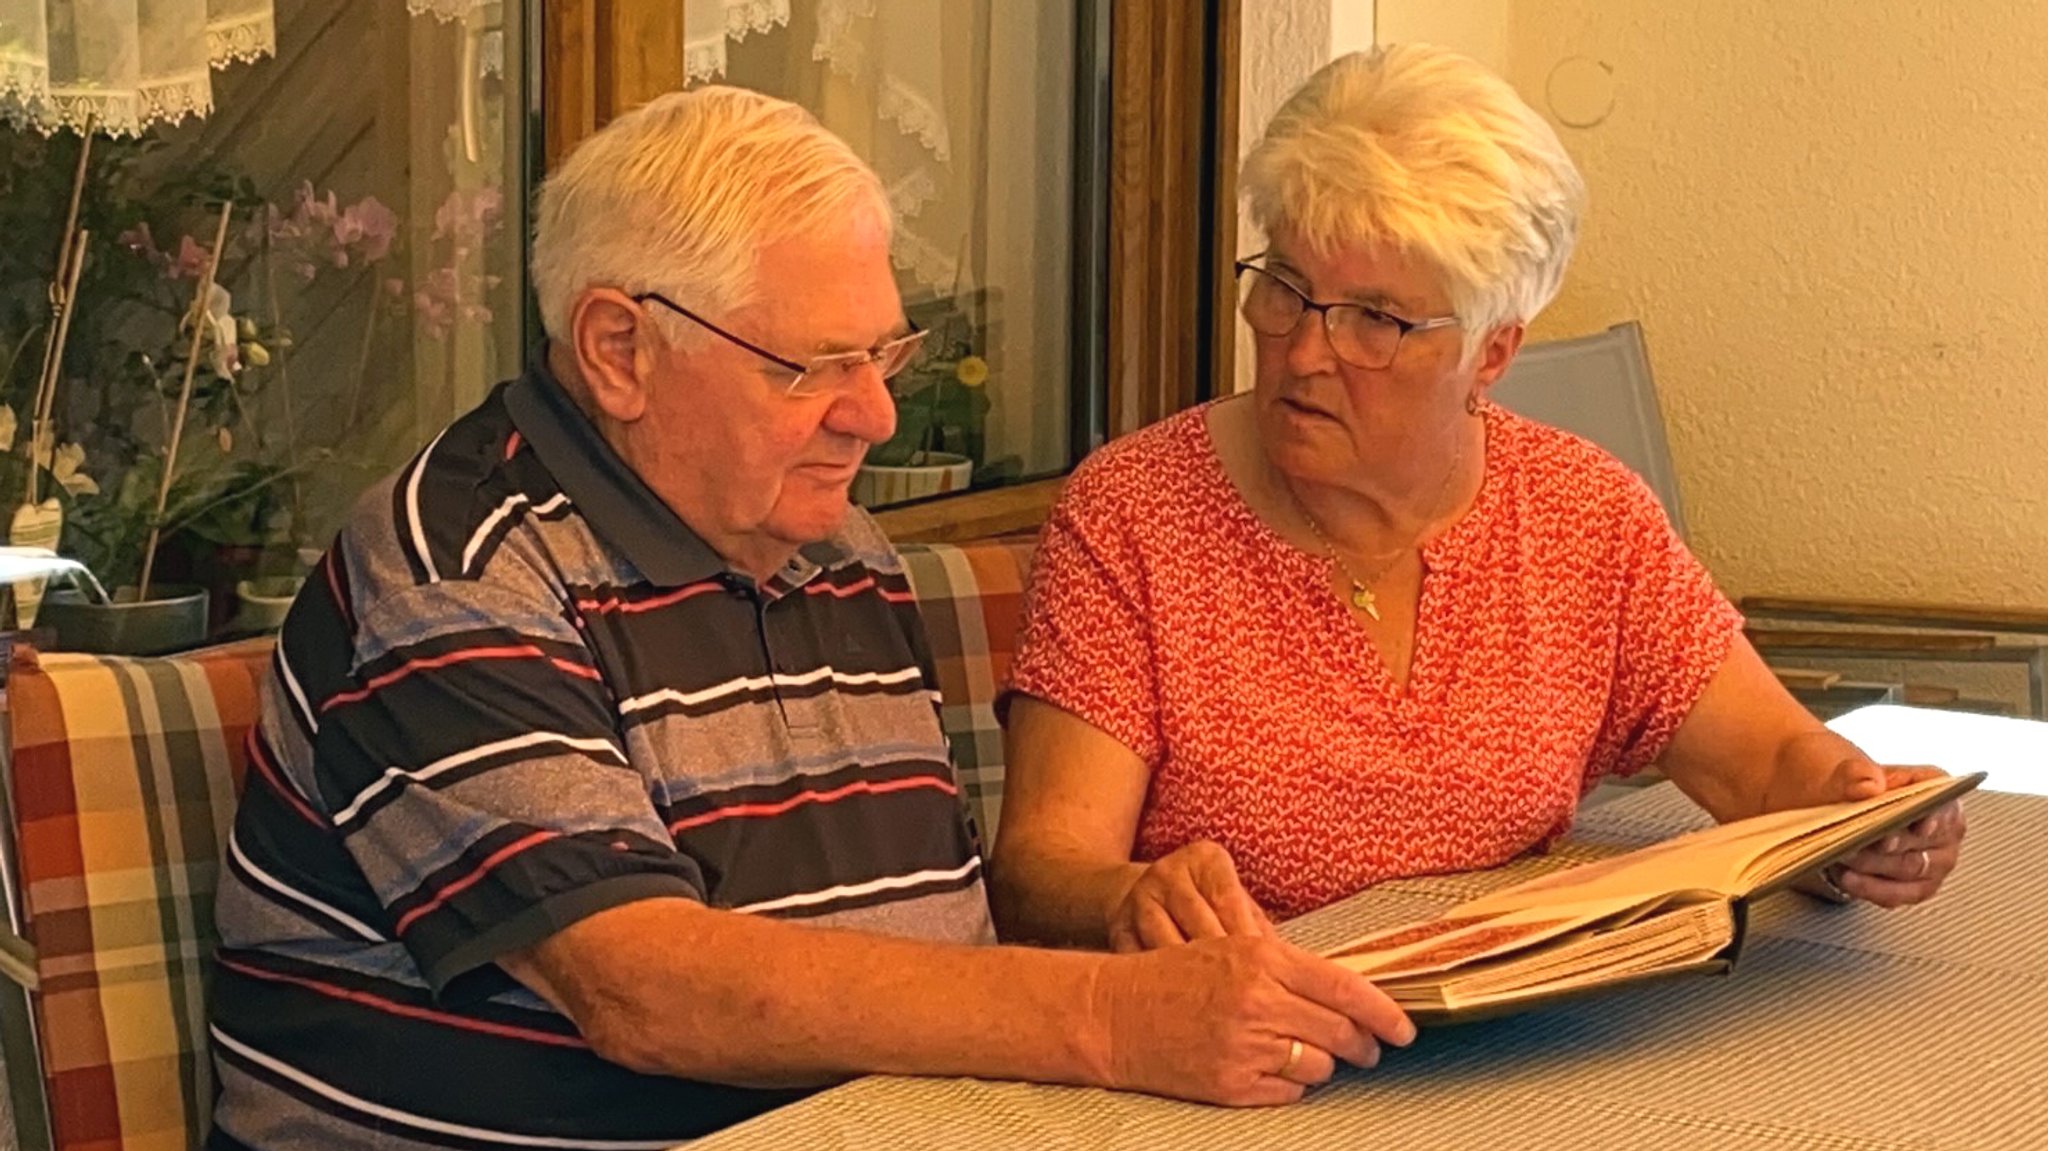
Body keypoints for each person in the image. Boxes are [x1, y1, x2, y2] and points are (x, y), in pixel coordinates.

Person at [206, 86, 1413, 1150]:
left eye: (885, 353)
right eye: (813, 367)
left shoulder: (833, 545)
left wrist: (1121, 929)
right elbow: (647, 988)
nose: (876, 417)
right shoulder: (455, 571)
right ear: (618, 348)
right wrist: (1109, 1016)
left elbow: (919, 941)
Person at [990, 45, 1966, 959]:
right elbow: (1041, 871)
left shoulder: (1579, 516)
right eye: (1284, 287)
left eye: (1374, 317)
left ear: (1490, 352)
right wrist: (1130, 901)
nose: (1301, 348)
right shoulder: (1136, 513)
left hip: (1520, 1030)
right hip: (1242, 1049)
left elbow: (1765, 762)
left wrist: (1858, 816)